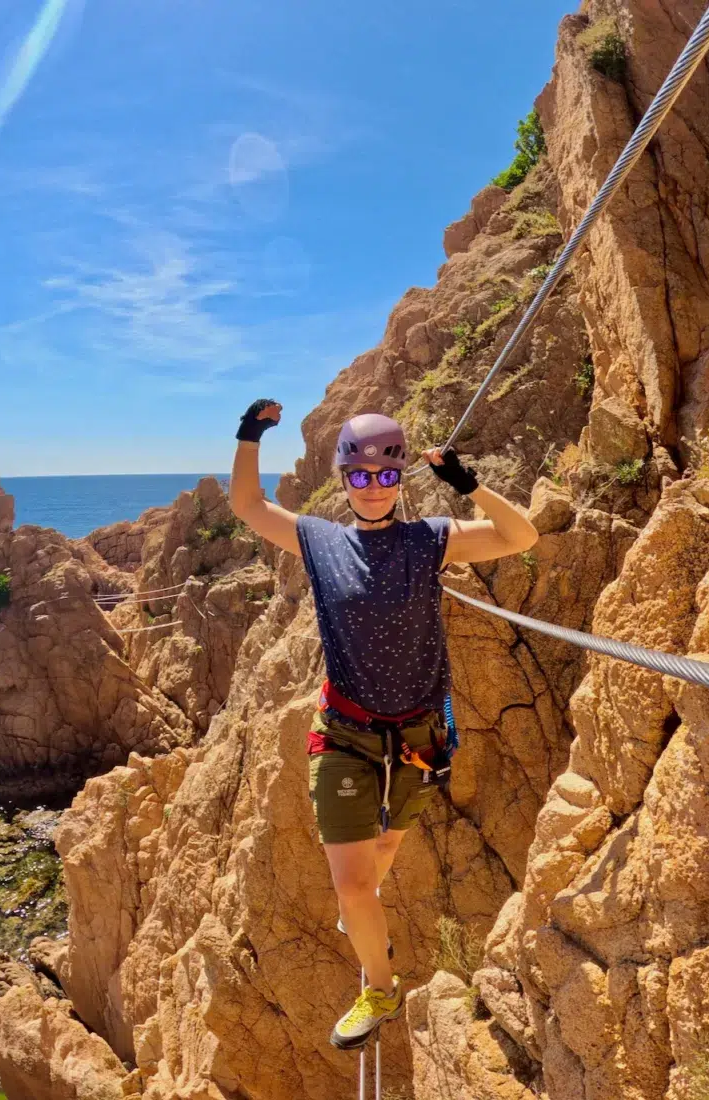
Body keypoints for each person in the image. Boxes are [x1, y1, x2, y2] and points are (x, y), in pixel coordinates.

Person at [229, 398, 538, 1051]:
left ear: (401, 479)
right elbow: (250, 507)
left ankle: (362, 914)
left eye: (387, 475)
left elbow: (520, 537)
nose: (374, 487)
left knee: (384, 854)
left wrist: (467, 484)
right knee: (353, 883)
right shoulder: (320, 541)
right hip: (343, 733)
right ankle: (380, 988)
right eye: (361, 476)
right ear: (343, 479)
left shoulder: (430, 539)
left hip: (420, 738)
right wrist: (250, 434)